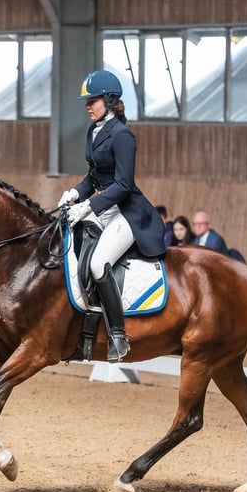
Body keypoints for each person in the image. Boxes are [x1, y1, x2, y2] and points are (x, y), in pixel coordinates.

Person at [57, 69, 166, 362]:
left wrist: (89, 207)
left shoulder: (122, 135)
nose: (87, 106)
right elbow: (93, 177)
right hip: (103, 207)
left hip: (127, 213)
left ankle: (118, 335)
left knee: (97, 263)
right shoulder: (93, 132)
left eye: (92, 100)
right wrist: (75, 194)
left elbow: (123, 184)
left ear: (109, 99)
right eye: (87, 101)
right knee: (70, 245)